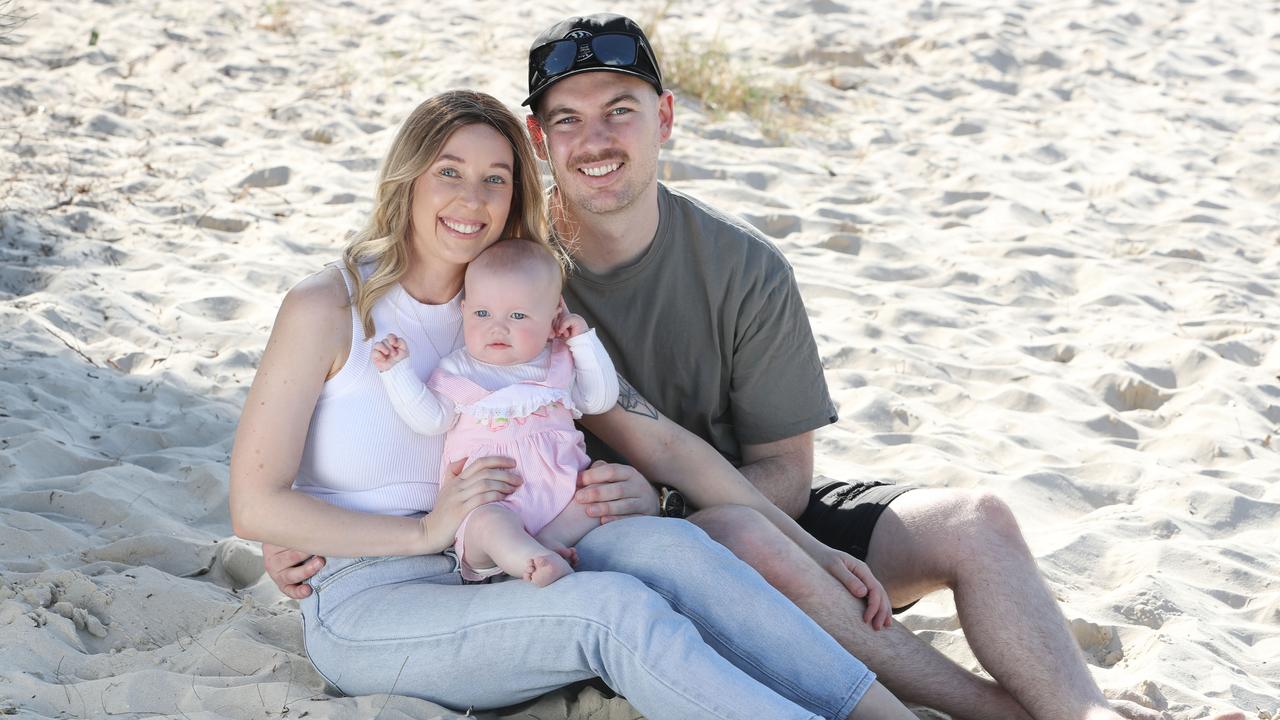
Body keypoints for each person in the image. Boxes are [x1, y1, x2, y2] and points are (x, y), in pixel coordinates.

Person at [261, 16, 1245, 720]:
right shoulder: (503, 280)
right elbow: (336, 422)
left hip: (715, 505)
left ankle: (1075, 715)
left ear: (664, 118)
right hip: (591, 530)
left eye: (619, 111)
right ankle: (986, 708)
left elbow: (731, 455)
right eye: (566, 121)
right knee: (706, 547)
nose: (594, 141)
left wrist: (789, 538)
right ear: (542, 144)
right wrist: (319, 528)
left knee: (964, 519)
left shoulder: (730, 266)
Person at [229, 89, 917, 719]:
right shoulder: (329, 306)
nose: (472, 198)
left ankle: (882, 714)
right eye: (449, 171)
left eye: (495, 178)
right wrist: (418, 534)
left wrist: (812, 549)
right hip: (372, 599)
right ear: (407, 177)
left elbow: (661, 440)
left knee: (670, 546)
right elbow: (256, 504)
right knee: (611, 612)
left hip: (505, 557)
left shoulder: (517, 305)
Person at [371, 238, 615, 586]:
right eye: (482, 314)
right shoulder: (458, 370)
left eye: (517, 315)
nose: (497, 328)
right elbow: (430, 420)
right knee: (487, 524)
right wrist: (397, 372)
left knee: (598, 490)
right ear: (465, 310)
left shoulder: (559, 362)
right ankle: (530, 559)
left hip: (564, 495)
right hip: (496, 498)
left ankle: (548, 542)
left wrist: (582, 342)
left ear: (553, 318)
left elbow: (599, 399)